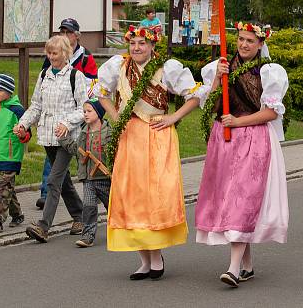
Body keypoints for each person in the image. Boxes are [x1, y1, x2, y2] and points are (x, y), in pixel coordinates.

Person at [97, 26, 202, 280]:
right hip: (130, 137)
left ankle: (156, 255)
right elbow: (100, 94)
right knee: (131, 194)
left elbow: (195, 95)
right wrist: (116, 118)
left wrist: (173, 117)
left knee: (155, 194)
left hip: (157, 135)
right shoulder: (118, 67)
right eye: (133, 43)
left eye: (142, 43)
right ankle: (143, 259)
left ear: (152, 45)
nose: (136, 48)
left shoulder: (166, 68)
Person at [196, 22, 289, 288]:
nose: (244, 44)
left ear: (260, 44)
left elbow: (271, 113)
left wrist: (239, 123)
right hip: (223, 140)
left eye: (250, 40)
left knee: (243, 198)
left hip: (253, 137)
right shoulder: (221, 67)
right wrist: (217, 79)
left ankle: (234, 268)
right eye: (241, 39)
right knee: (229, 197)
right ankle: (246, 264)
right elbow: (209, 105)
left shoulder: (269, 71)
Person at [18, 35, 87, 243]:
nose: (51, 56)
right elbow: (36, 106)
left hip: (67, 138)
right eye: (48, 53)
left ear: (65, 53)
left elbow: (84, 108)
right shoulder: (44, 76)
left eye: (54, 53)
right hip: (47, 136)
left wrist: (67, 123)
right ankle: (81, 216)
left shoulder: (76, 76)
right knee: (63, 181)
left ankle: (43, 226)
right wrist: (23, 123)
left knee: (53, 181)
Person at [37, 17, 98, 210]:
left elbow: (93, 86)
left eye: (69, 32)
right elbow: (43, 85)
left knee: (70, 158)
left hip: (79, 113)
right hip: (55, 119)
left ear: (76, 35)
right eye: (62, 31)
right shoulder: (52, 57)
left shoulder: (86, 57)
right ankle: (50, 195)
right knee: (55, 159)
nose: (65, 35)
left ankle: (91, 195)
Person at [57, 99, 111, 248]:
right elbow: (76, 150)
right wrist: (63, 139)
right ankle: (88, 236)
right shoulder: (83, 133)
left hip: (105, 178)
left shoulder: (109, 132)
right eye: (84, 111)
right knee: (88, 205)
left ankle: (121, 230)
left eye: (89, 111)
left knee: (113, 207)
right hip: (88, 178)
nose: (85, 114)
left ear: (99, 114)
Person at [0, 74, 28, 233]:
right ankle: (17, 214)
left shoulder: (17, 110)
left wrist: (22, 134)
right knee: (6, 189)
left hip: (10, 156)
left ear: (9, 92)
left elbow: (26, 133)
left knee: (3, 189)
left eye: (0, 90)